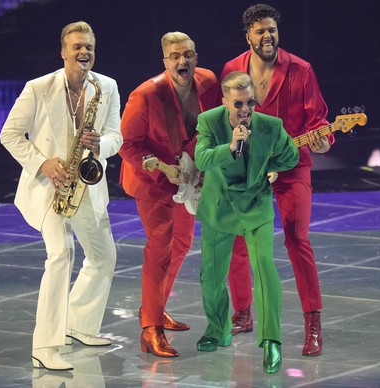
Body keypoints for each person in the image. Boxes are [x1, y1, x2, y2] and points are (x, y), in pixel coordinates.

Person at [0, 21, 121, 371]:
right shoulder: (38, 88)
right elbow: (9, 134)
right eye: (77, 47)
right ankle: (46, 344)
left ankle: (79, 324)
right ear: (63, 52)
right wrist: (43, 163)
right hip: (50, 183)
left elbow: (117, 136)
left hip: (85, 182)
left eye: (89, 48)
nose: (84, 53)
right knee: (61, 253)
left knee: (104, 254)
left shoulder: (106, 87)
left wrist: (103, 144)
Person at [221, 3, 335, 357]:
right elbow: (223, 117)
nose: (267, 36)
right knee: (237, 240)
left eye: (271, 30)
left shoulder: (301, 70)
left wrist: (323, 139)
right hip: (247, 169)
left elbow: (319, 121)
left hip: (291, 166)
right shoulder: (232, 70)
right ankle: (242, 314)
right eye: (260, 31)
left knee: (296, 238)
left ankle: (312, 324)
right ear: (248, 37)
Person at [119, 31, 220, 358]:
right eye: (175, 56)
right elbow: (127, 145)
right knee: (160, 245)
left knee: (181, 243)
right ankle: (151, 329)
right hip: (153, 181)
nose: (183, 61)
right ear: (165, 61)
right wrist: (161, 167)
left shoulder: (208, 82)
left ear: (196, 57)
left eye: (188, 55)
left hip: (188, 179)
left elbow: (212, 126)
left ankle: (155, 307)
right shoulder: (145, 95)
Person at [195, 71, 299, 374]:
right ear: (226, 102)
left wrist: (270, 166)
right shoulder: (209, 122)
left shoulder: (271, 126)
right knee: (212, 275)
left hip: (255, 203)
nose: (245, 110)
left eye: (250, 102)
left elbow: (290, 157)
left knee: (265, 268)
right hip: (220, 206)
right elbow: (201, 159)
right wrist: (230, 147)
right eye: (238, 103)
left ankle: (271, 341)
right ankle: (218, 329)